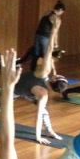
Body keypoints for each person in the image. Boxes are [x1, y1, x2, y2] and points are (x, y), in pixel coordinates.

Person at [14, 17, 63, 145]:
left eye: (58, 76)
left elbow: (38, 115)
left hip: (26, 90)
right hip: (16, 88)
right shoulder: (46, 81)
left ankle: (50, 131)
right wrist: (54, 30)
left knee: (44, 111)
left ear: (54, 79)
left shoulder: (44, 79)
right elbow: (49, 50)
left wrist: (54, 30)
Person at [24, 1, 66, 72]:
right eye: (62, 12)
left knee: (36, 54)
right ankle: (44, 71)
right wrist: (56, 43)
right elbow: (55, 32)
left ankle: (33, 71)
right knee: (46, 55)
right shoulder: (57, 19)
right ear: (60, 10)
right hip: (45, 37)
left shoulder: (47, 13)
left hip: (38, 35)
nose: (61, 14)